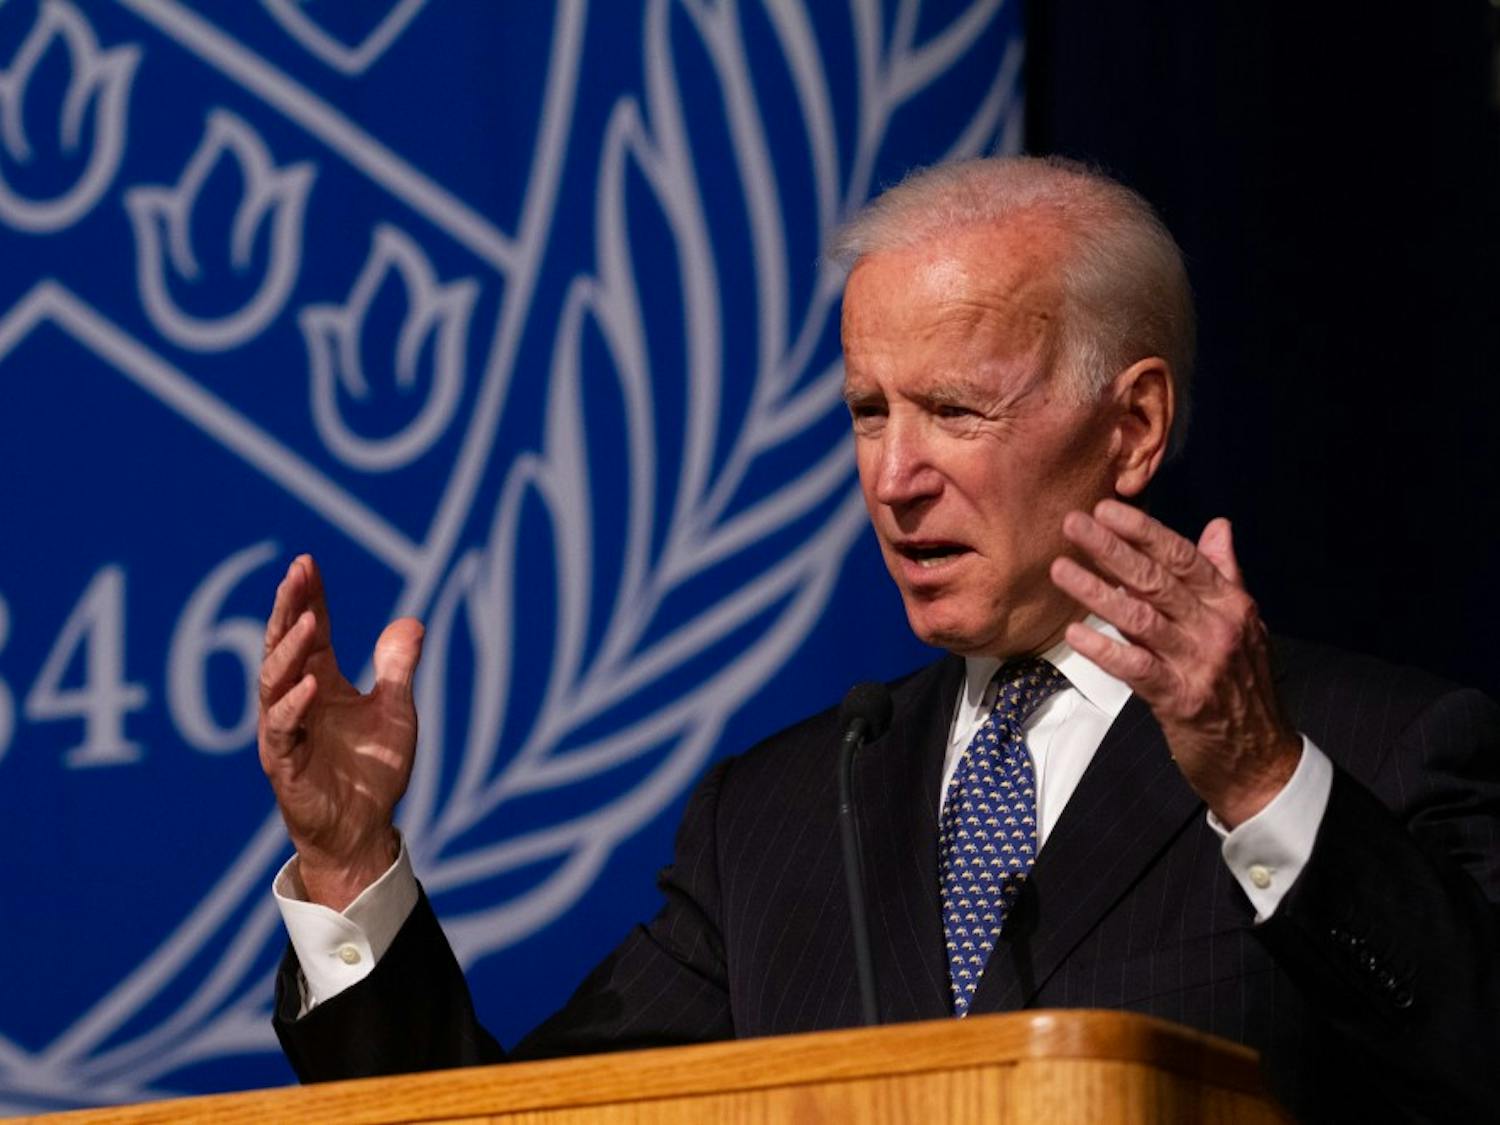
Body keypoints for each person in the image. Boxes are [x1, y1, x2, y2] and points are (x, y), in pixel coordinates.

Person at [259, 156, 1499, 1122]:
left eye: (954, 410)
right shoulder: (782, 814)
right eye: (867, 411)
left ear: (1132, 428)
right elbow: (516, 1122)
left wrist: (1259, 782)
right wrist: (349, 867)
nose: (894, 476)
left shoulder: (1374, 752)